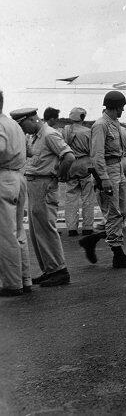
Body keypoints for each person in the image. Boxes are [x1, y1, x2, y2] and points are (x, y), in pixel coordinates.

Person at [79, 91, 126, 268]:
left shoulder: (116, 124)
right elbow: (97, 155)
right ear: (115, 106)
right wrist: (104, 178)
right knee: (113, 213)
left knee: (121, 213)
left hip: (118, 169)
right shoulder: (101, 125)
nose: (123, 109)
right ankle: (118, 255)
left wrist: (123, 156)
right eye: (122, 106)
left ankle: (92, 240)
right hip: (108, 171)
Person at [15, 107, 74, 287]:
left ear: (32, 119)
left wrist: (59, 175)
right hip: (34, 184)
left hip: (44, 184)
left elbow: (69, 157)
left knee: (46, 228)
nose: (22, 129)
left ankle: (59, 270)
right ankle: (49, 269)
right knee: (35, 231)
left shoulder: (49, 134)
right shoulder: (34, 136)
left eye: (22, 124)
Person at [1, 93, 33, 296]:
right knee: (19, 232)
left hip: (3, 178)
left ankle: (12, 284)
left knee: (5, 235)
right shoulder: (13, 125)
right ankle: (25, 278)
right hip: (18, 177)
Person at [60, 107, 96, 237]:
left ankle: (71, 228)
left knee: (71, 198)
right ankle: (87, 227)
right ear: (82, 117)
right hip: (85, 164)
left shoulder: (65, 131)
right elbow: (93, 151)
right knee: (87, 197)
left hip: (70, 164)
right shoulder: (88, 132)